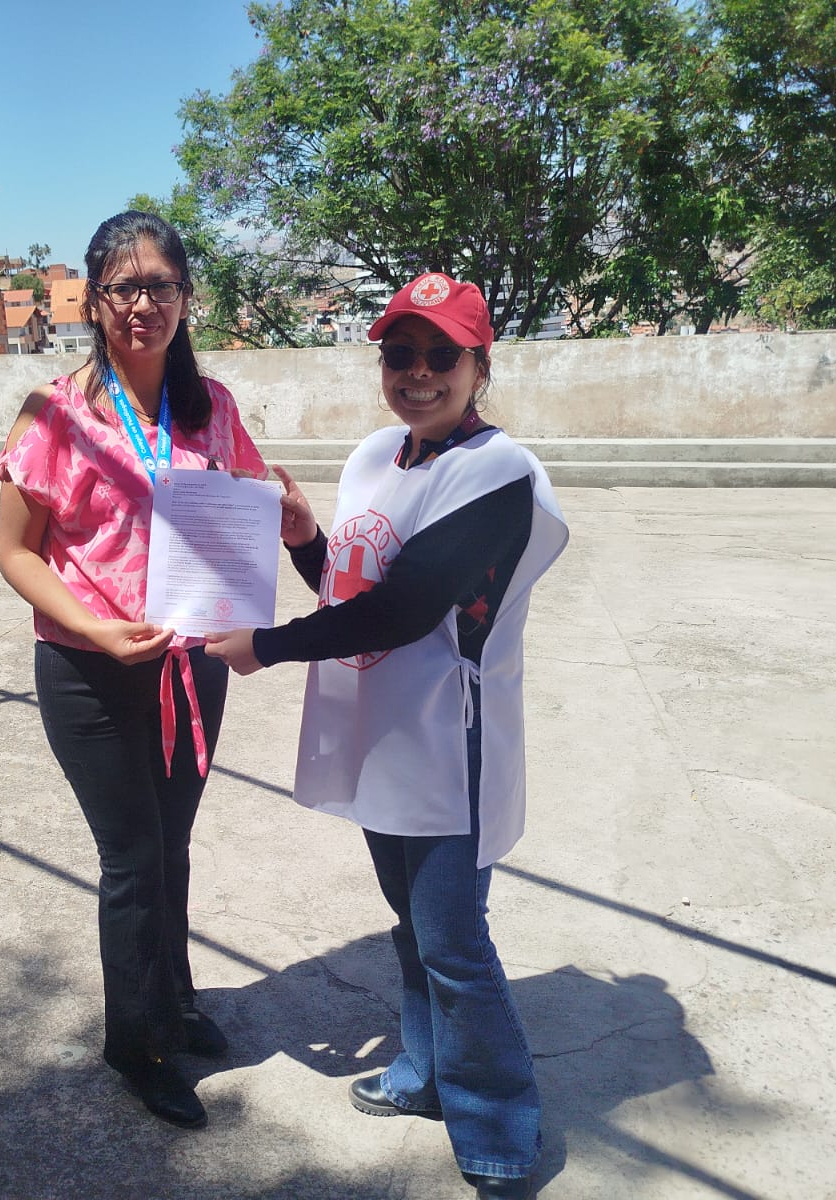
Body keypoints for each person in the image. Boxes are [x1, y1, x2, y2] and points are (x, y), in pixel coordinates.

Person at [205, 274, 568, 1197]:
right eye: (399, 354)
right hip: (382, 732)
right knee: (412, 928)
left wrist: (266, 648)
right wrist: (301, 539)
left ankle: (497, 1122)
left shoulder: (499, 475)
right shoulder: (378, 455)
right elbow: (353, 582)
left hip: (452, 739)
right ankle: (424, 1074)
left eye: (442, 355)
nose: (417, 373)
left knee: (454, 940)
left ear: (481, 366)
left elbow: (406, 612)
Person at [0, 210, 268, 1129]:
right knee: (133, 857)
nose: (143, 303)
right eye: (124, 286)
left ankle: (177, 1003)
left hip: (192, 669)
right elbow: (18, 555)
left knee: (173, 847)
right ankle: (138, 1047)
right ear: (95, 299)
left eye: (161, 285)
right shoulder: (53, 413)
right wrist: (99, 629)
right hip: (89, 672)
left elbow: (248, 512)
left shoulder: (212, 408)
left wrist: (252, 609)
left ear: (187, 297)